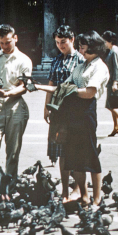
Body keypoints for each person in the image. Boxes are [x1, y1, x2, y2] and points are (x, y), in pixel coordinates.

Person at [30, 25, 85, 202]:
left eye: (63, 42)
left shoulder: (81, 60)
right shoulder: (55, 60)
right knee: (61, 151)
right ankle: (64, 190)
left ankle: (78, 188)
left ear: (72, 40)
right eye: (57, 43)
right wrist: (46, 106)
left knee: (75, 150)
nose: (60, 45)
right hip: (57, 110)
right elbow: (51, 84)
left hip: (75, 110)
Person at [62, 31, 109, 209]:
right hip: (73, 111)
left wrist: (71, 90)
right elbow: (66, 84)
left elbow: (90, 92)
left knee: (90, 154)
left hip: (87, 112)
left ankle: (97, 197)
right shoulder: (81, 66)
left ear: (93, 47)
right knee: (74, 157)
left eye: (83, 45)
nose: (80, 48)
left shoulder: (100, 66)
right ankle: (84, 195)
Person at [0, 24, 32, 184]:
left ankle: (9, 189)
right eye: (1, 43)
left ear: (15, 38)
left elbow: (24, 87)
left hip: (15, 106)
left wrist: (8, 93)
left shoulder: (24, 60)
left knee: (13, 153)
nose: (4, 46)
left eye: (8, 42)